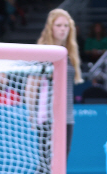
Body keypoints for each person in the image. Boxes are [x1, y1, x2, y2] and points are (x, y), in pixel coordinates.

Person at [37, 8, 83, 161]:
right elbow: (32, 84)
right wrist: (32, 114)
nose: (63, 29)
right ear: (50, 27)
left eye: (66, 25)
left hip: (67, 116)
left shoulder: (71, 54)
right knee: (46, 162)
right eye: (58, 25)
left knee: (62, 160)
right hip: (47, 116)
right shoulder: (43, 52)